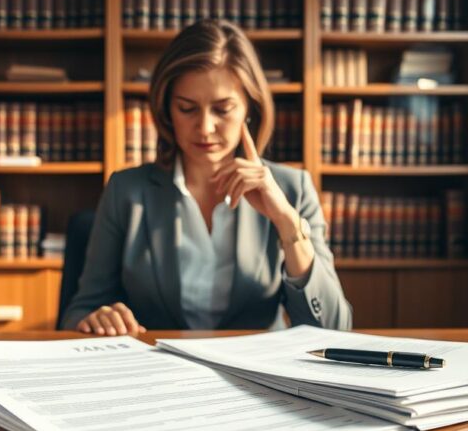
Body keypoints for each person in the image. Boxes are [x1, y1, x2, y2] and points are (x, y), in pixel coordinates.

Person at [60, 19, 352, 335]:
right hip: (159, 373)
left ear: (248, 108)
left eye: (223, 109)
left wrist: (285, 221)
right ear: (167, 109)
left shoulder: (293, 190)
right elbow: (78, 311)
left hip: (254, 376)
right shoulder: (126, 191)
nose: (205, 128)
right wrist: (94, 319)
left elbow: (335, 327)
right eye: (187, 109)